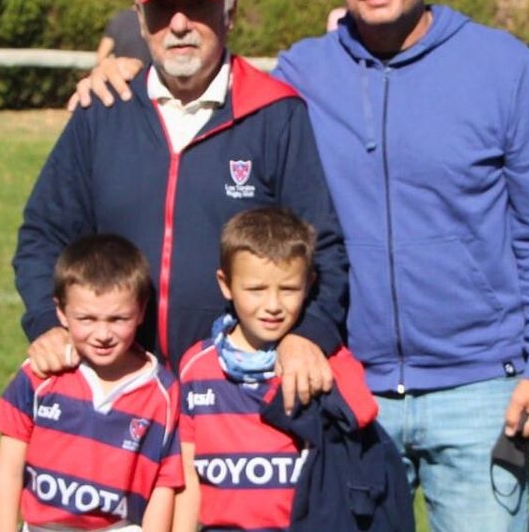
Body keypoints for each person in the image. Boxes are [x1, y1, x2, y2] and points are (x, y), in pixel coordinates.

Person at [69, 0, 529, 532]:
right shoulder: (300, 73)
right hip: (343, 388)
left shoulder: (503, 66)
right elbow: (204, 72)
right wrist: (116, 76)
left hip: (480, 390)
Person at [14, 0, 349, 412]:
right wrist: (48, 322)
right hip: (118, 390)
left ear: (228, 13)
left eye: (196, 5)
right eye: (161, 7)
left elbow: (324, 248)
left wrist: (311, 333)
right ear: (140, 19)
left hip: (240, 395)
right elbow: (43, 233)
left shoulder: (275, 113)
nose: (178, 24)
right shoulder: (103, 107)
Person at [173, 207, 411, 532]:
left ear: (309, 283)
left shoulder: (319, 362)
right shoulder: (195, 368)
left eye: (288, 289)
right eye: (256, 289)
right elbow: (188, 477)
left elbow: (360, 420)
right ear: (225, 284)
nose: (273, 305)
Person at [0, 234, 181, 532]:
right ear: (61, 312)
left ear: (141, 311)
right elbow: (9, 470)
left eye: (117, 319)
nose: (102, 334)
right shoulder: (40, 374)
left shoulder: (163, 394)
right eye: (87, 319)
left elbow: (163, 486)